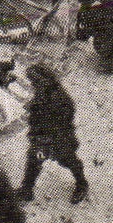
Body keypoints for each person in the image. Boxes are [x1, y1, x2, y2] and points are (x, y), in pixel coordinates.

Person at [18, 64, 89, 204]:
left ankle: (81, 184)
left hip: (59, 139)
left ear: (44, 79)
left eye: (35, 81)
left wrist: (47, 124)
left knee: (68, 161)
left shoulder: (59, 97)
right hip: (42, 140)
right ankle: (26, 190)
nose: (33, 84)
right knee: (34, 161)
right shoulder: (43, 91)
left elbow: (67, 114)